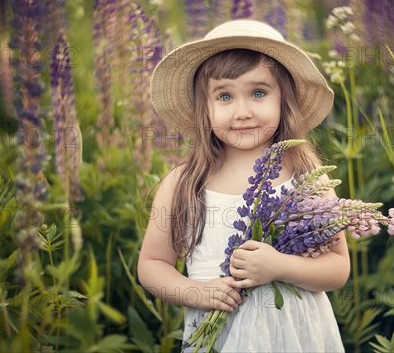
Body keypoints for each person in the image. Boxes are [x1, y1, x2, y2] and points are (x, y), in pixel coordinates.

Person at [138, 20, 350, 352]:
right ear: (203, 109)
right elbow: (152, 265)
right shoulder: (184, 182)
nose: (242, 112)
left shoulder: (307, 177)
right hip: (220, 337)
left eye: (258, 93)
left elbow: (338, 267)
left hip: (295, 336)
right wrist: (198, 292)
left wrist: (280, 266)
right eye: (224, 96)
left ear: (284, 99)